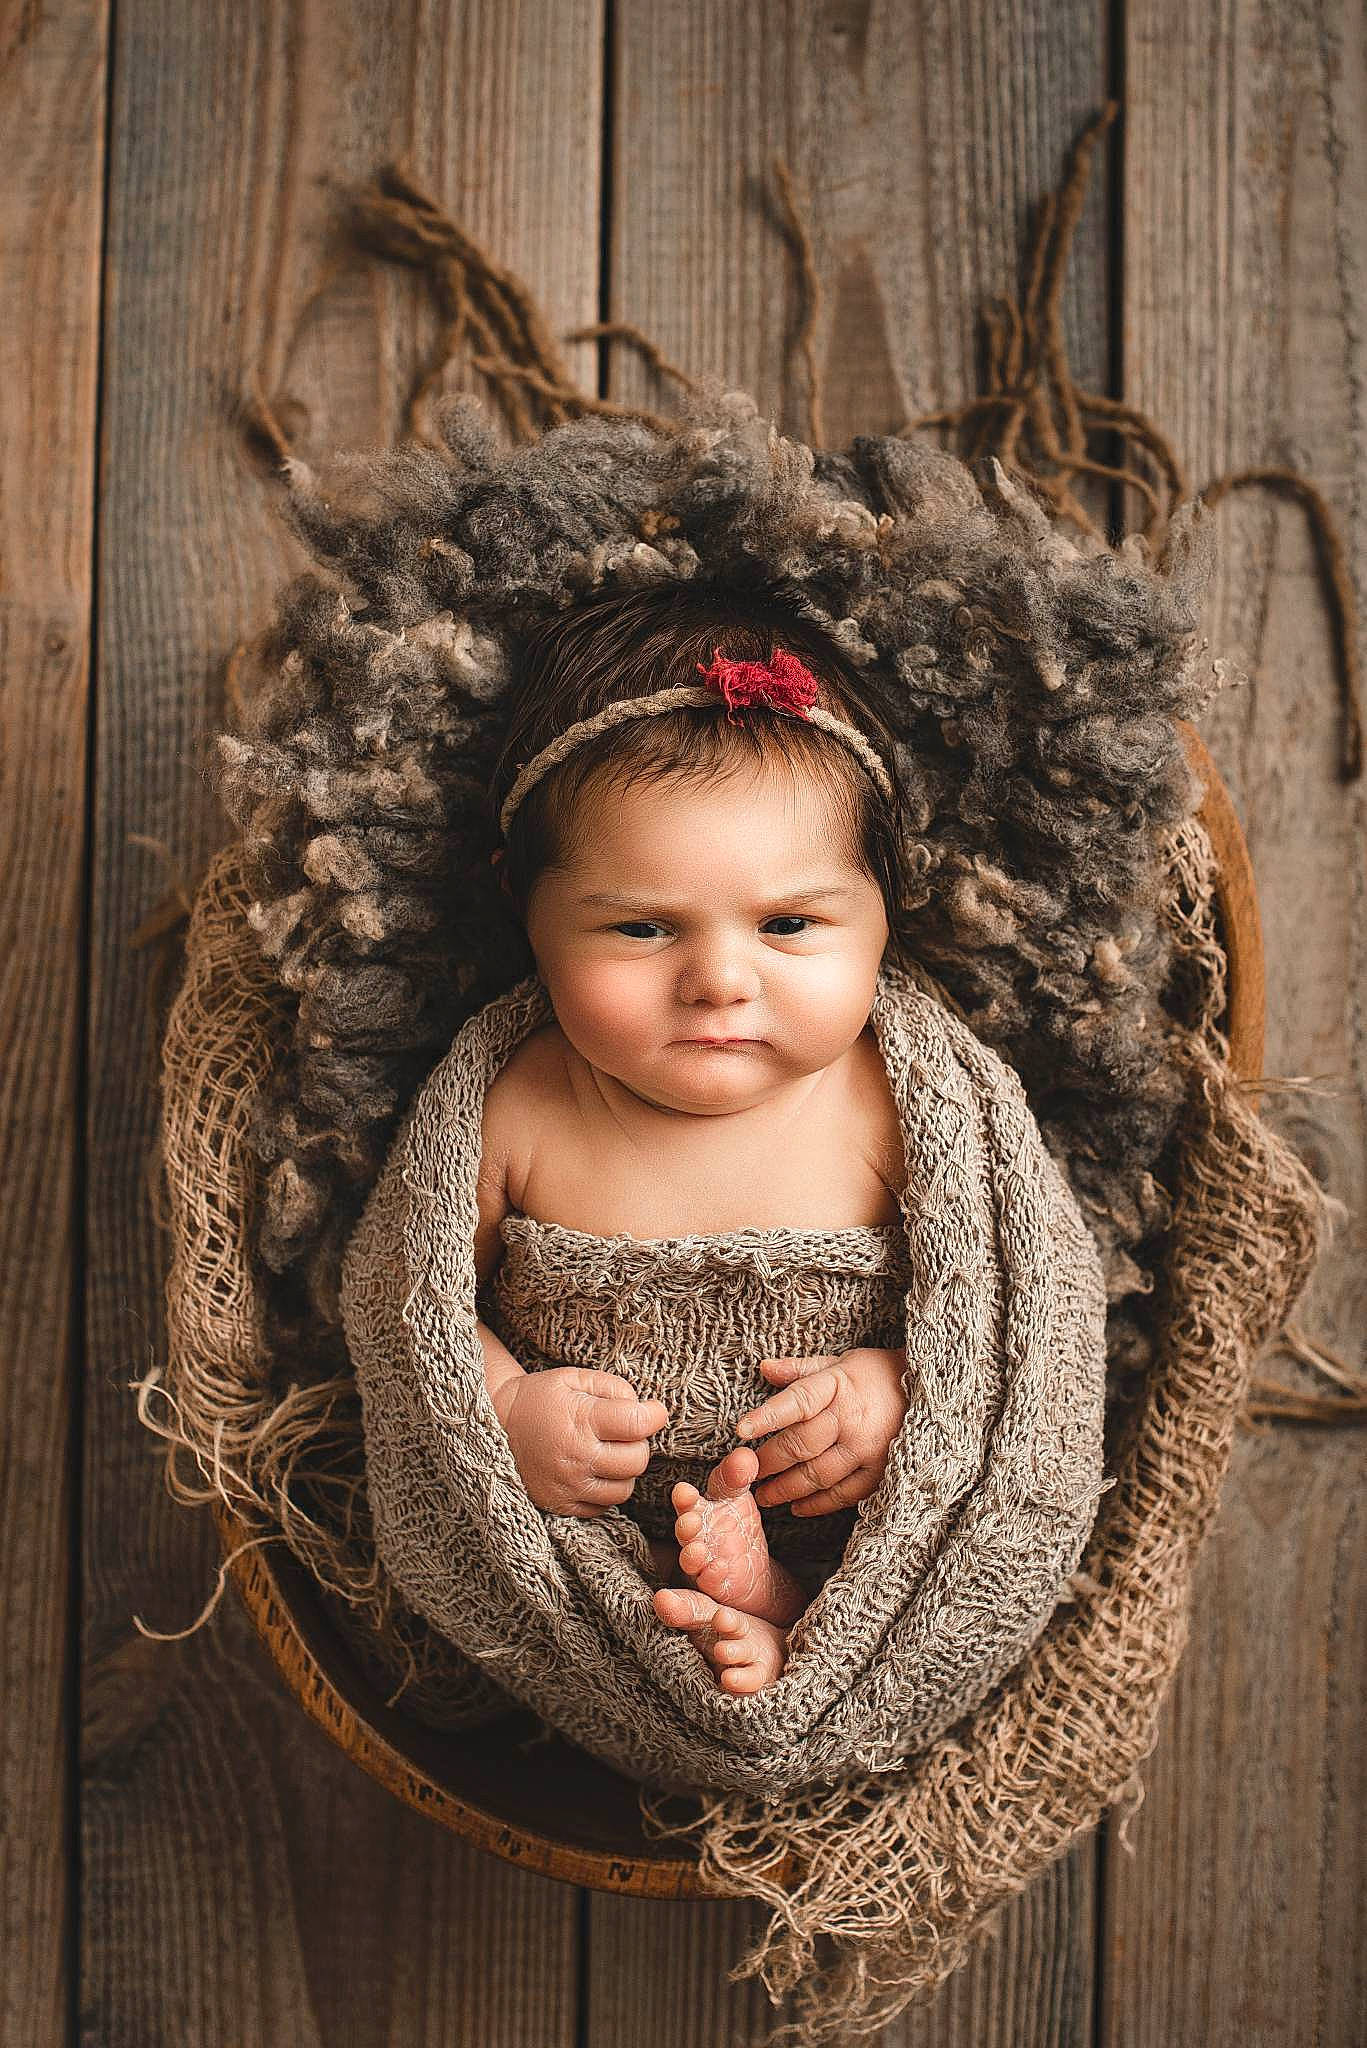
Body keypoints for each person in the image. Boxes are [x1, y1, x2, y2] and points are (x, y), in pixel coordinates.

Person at [468, 577, 925, 1696]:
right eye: (640, 926)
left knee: (893, 1560)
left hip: (842, 1531)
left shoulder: (894, 1101)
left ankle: (806, 1626)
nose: (720, 979)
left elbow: (1006, 1316)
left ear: (882, 916)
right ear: (526, 917)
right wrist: (501, 1408)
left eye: (788, 924)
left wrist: (899, 1396)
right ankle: (712, 1634)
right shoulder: (521, 1102)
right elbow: (414, 1305)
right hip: (584, 1559)